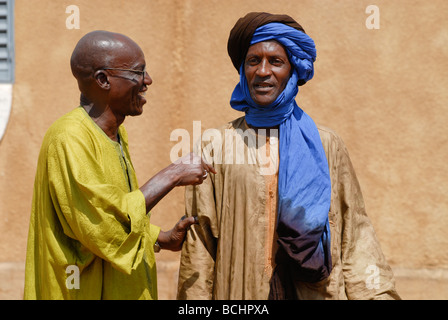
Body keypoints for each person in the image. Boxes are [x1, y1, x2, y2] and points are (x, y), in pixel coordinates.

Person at [177, 12, 400, 300]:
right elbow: (200, 242)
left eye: (276, 61)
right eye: (253, 61)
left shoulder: (326, 144)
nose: (263, 71)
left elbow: (355, 231)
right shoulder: (216, 144)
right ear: (243, 70)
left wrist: (376, 295)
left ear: (292, 70)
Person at [24, 30, 215, 300]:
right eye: (138, 72)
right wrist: (172, 175)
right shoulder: (69, 138)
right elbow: (101, 225)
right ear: (103, 80)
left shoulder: (116, 134)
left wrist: (160, 238)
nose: (147, 81)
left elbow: (114, 209)